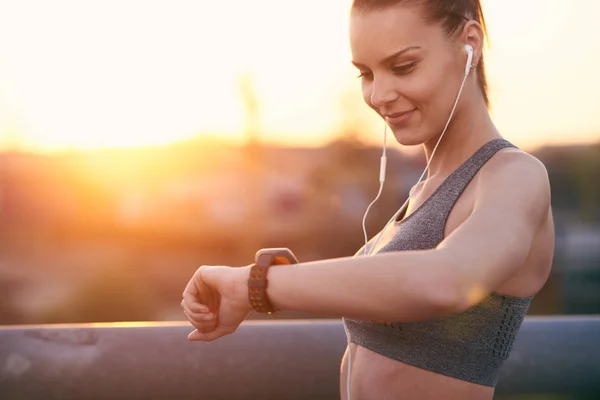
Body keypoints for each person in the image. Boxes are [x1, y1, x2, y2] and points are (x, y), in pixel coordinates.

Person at [180, 1, 555, 399]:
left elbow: (446, 281)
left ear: (470, 43)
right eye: (366, 73)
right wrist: (272, 276)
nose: (379, 94)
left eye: (403, 66)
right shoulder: (424, 190)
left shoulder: (515, 175)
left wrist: (257, 284)